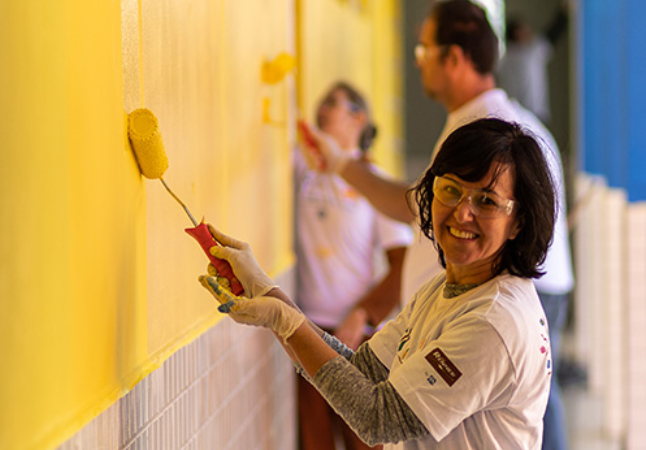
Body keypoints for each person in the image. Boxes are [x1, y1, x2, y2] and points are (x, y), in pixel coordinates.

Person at [300, 2, 574, 448]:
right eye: (450, 192)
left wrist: (341, 165)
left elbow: (412, 205)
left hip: (524, 288)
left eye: (424, 49)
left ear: (454, 58)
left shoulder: (483, 131)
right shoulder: (505, 121)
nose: (417, 61)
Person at [200, 118, 557, 449]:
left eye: (487, 201)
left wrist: (283, 321)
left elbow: (379, 417)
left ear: (519, 223)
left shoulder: (493, 323)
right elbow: (361, 372)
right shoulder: (443, 290)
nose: (463, 212)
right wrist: (267, 290)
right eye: (450, 189)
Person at [294, 81, 413, 450]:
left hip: (355, 339)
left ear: (357, 119)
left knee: (363, 440)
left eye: (334, 103)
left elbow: (401, 265)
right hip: (307, 332)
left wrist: (363, 315)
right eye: (321, 101)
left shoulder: (373, 184)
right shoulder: (305, 172)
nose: (322, 108)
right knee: (315, 441)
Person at [496, 2, 569, 123]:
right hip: (532, 113)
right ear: (517, 33)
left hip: (511, 115)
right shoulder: (531, 51)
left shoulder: (503, 59)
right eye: (524, 28)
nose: (529, 31)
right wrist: (565, 11)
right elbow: (554, 33)